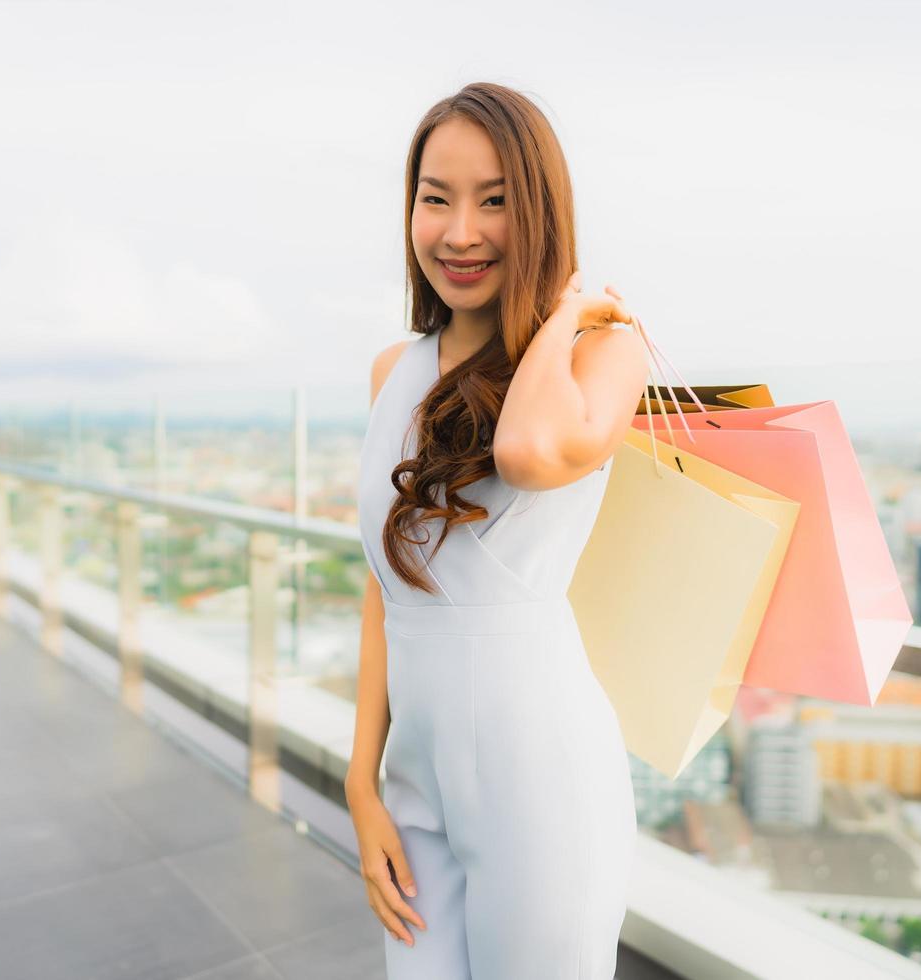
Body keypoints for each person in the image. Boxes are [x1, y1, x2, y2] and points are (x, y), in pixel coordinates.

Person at [346, 81, 649, 979]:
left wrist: (557, 319)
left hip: (544, 781)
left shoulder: (602, 353)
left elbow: (522, 452)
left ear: (542, 213)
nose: (461, 231)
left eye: (496, 201)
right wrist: (360, 784)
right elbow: (384, 587)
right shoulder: (388, 374)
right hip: (415, 781)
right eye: (435, 198)